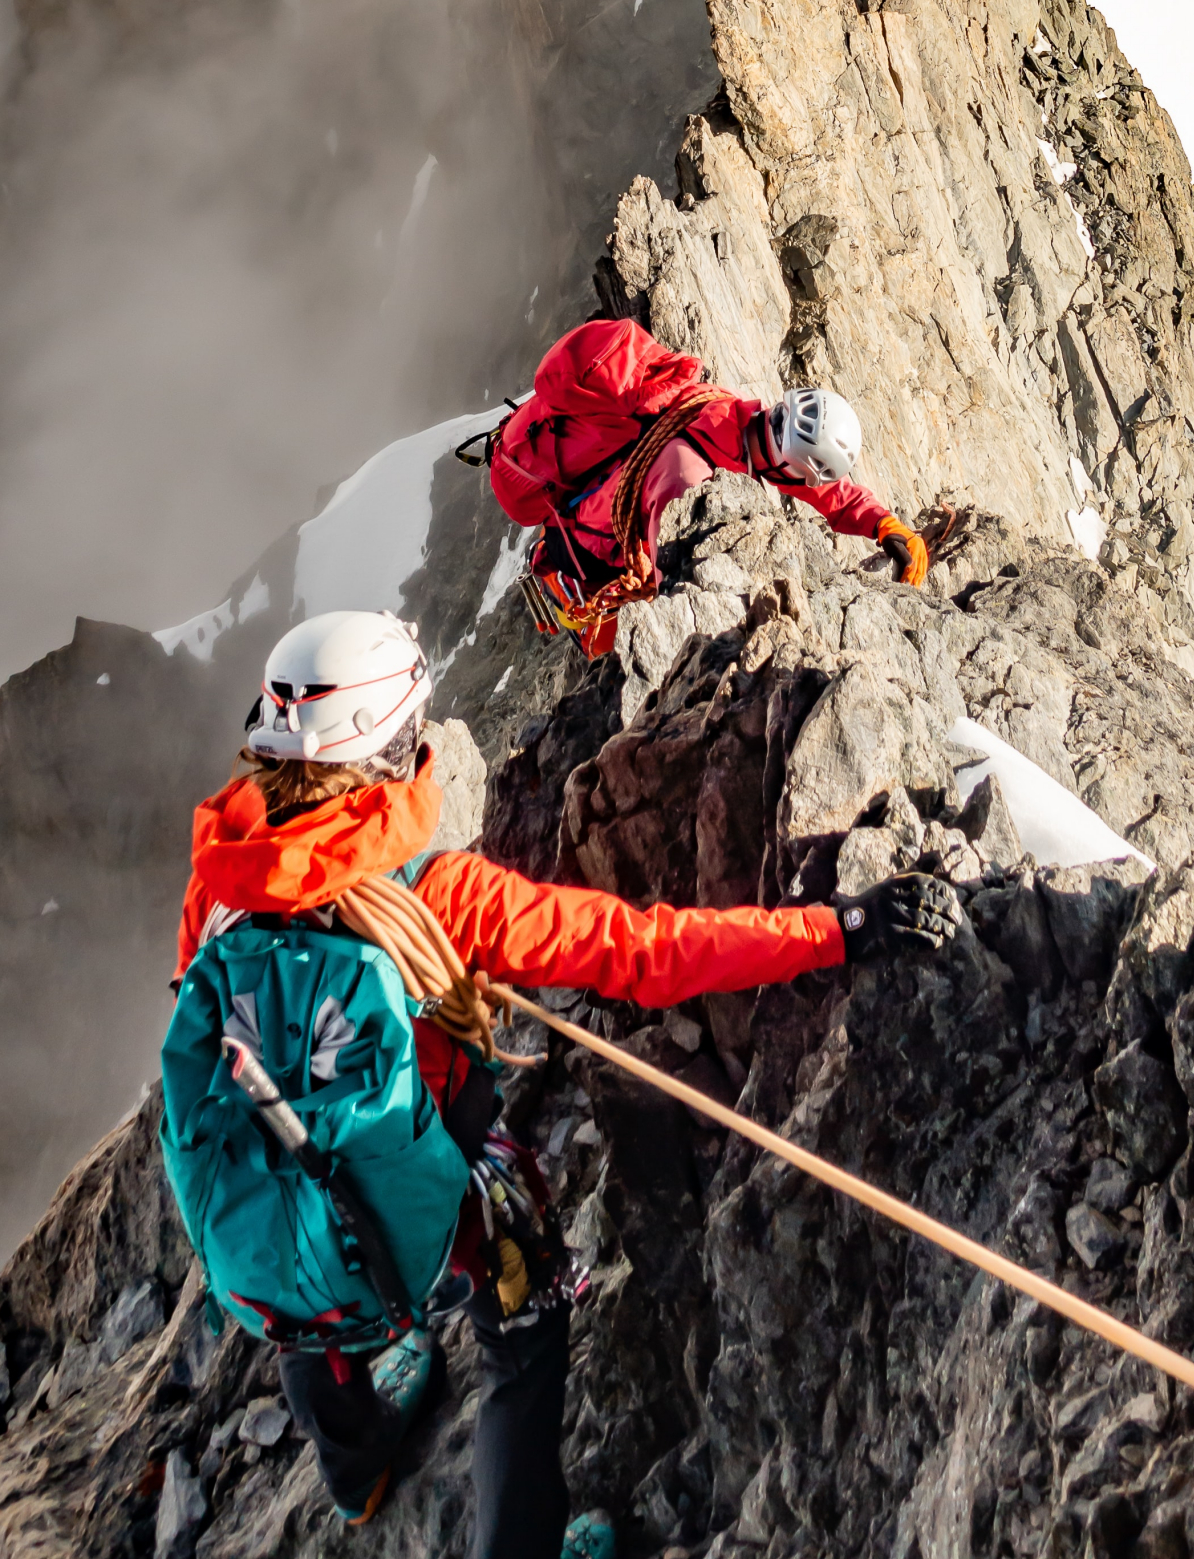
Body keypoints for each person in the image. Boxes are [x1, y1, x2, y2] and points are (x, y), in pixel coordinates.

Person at [163, 607, 959, 1548]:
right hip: (438, 1181)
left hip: (271, 1200)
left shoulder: (222, 881)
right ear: (391, 750)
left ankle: (358, 1472)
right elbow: (641, 951)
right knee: (525, 1329)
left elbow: (206, 1013)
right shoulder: (441, 897)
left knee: (316, 1306)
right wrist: (835, 929)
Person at [477, 315, 933, 655]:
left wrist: (883, 522)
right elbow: (659, 581)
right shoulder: (689, 476)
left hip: (593, 525)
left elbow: (809, 479)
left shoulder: (727, 414)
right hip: (584, 567)